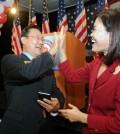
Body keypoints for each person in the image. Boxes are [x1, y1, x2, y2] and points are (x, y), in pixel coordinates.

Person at [53, 9, 120, 133]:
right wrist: (61, 51)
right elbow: (72, 77)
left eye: (95, 29)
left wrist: (82, 117)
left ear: (112, 35)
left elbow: (117, 125)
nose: (90, 34)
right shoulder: (97, 63)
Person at [0, 25, 65, 134]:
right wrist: (50, 53)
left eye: (42, 39)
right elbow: (26, 73)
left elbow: (58, 94)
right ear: (23, 40)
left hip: (45, 129)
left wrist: (57, 105)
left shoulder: (48, 69)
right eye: (37, 38)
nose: (41, 42)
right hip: (19, 128)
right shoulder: (10, 60)